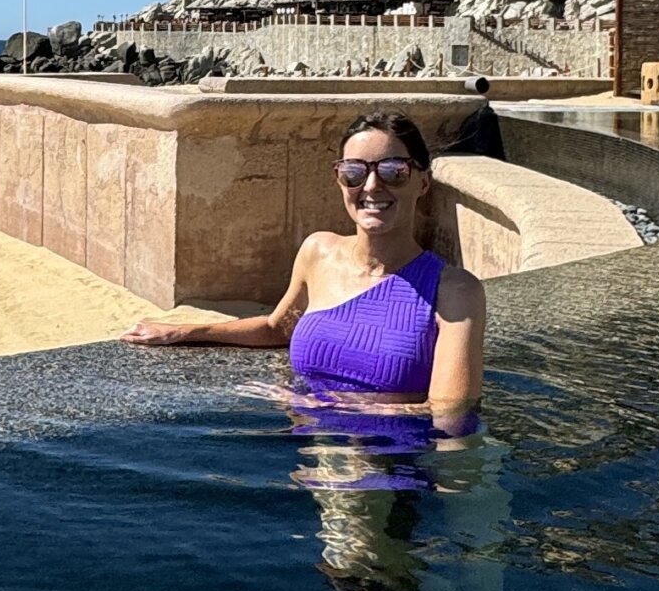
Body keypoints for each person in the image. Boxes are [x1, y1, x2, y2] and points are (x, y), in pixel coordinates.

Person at [121, 111, 485, 429]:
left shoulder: (453, 290)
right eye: (354, 172)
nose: (372, 186)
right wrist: (184, 332)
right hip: (309, 445)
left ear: (422, 181)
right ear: (340, 180)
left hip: (388, 461)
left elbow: (450, 415)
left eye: (393, 171)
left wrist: (323, 405)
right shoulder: (318, 252)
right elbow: (276, 327)